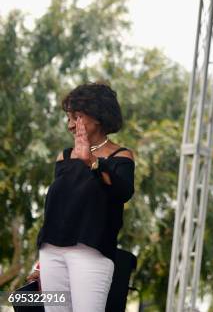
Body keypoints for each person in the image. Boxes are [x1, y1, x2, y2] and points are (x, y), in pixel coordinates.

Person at [35, 82, 135, 312]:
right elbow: (58, 209)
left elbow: (123, 192)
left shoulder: (121, 156)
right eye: (68, 118)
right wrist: (39, 265)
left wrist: (92, 162)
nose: (70, 125)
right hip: (51, 252)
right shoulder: (65, 156)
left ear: (97, 116)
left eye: (76, 117)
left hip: (91, 254)